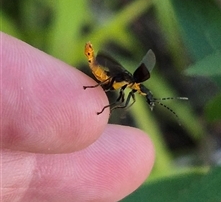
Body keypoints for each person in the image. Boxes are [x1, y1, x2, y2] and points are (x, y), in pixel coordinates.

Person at [1, 32, 155, 202]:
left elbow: (125, 98)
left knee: (120, 99)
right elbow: (120, 92)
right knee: (114, 97)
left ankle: (100, 94)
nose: (145, 96)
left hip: (111, 79)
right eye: (147, 96)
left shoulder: (133, 86)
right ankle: (98, 89)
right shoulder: (131, 82)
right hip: (105, 77)